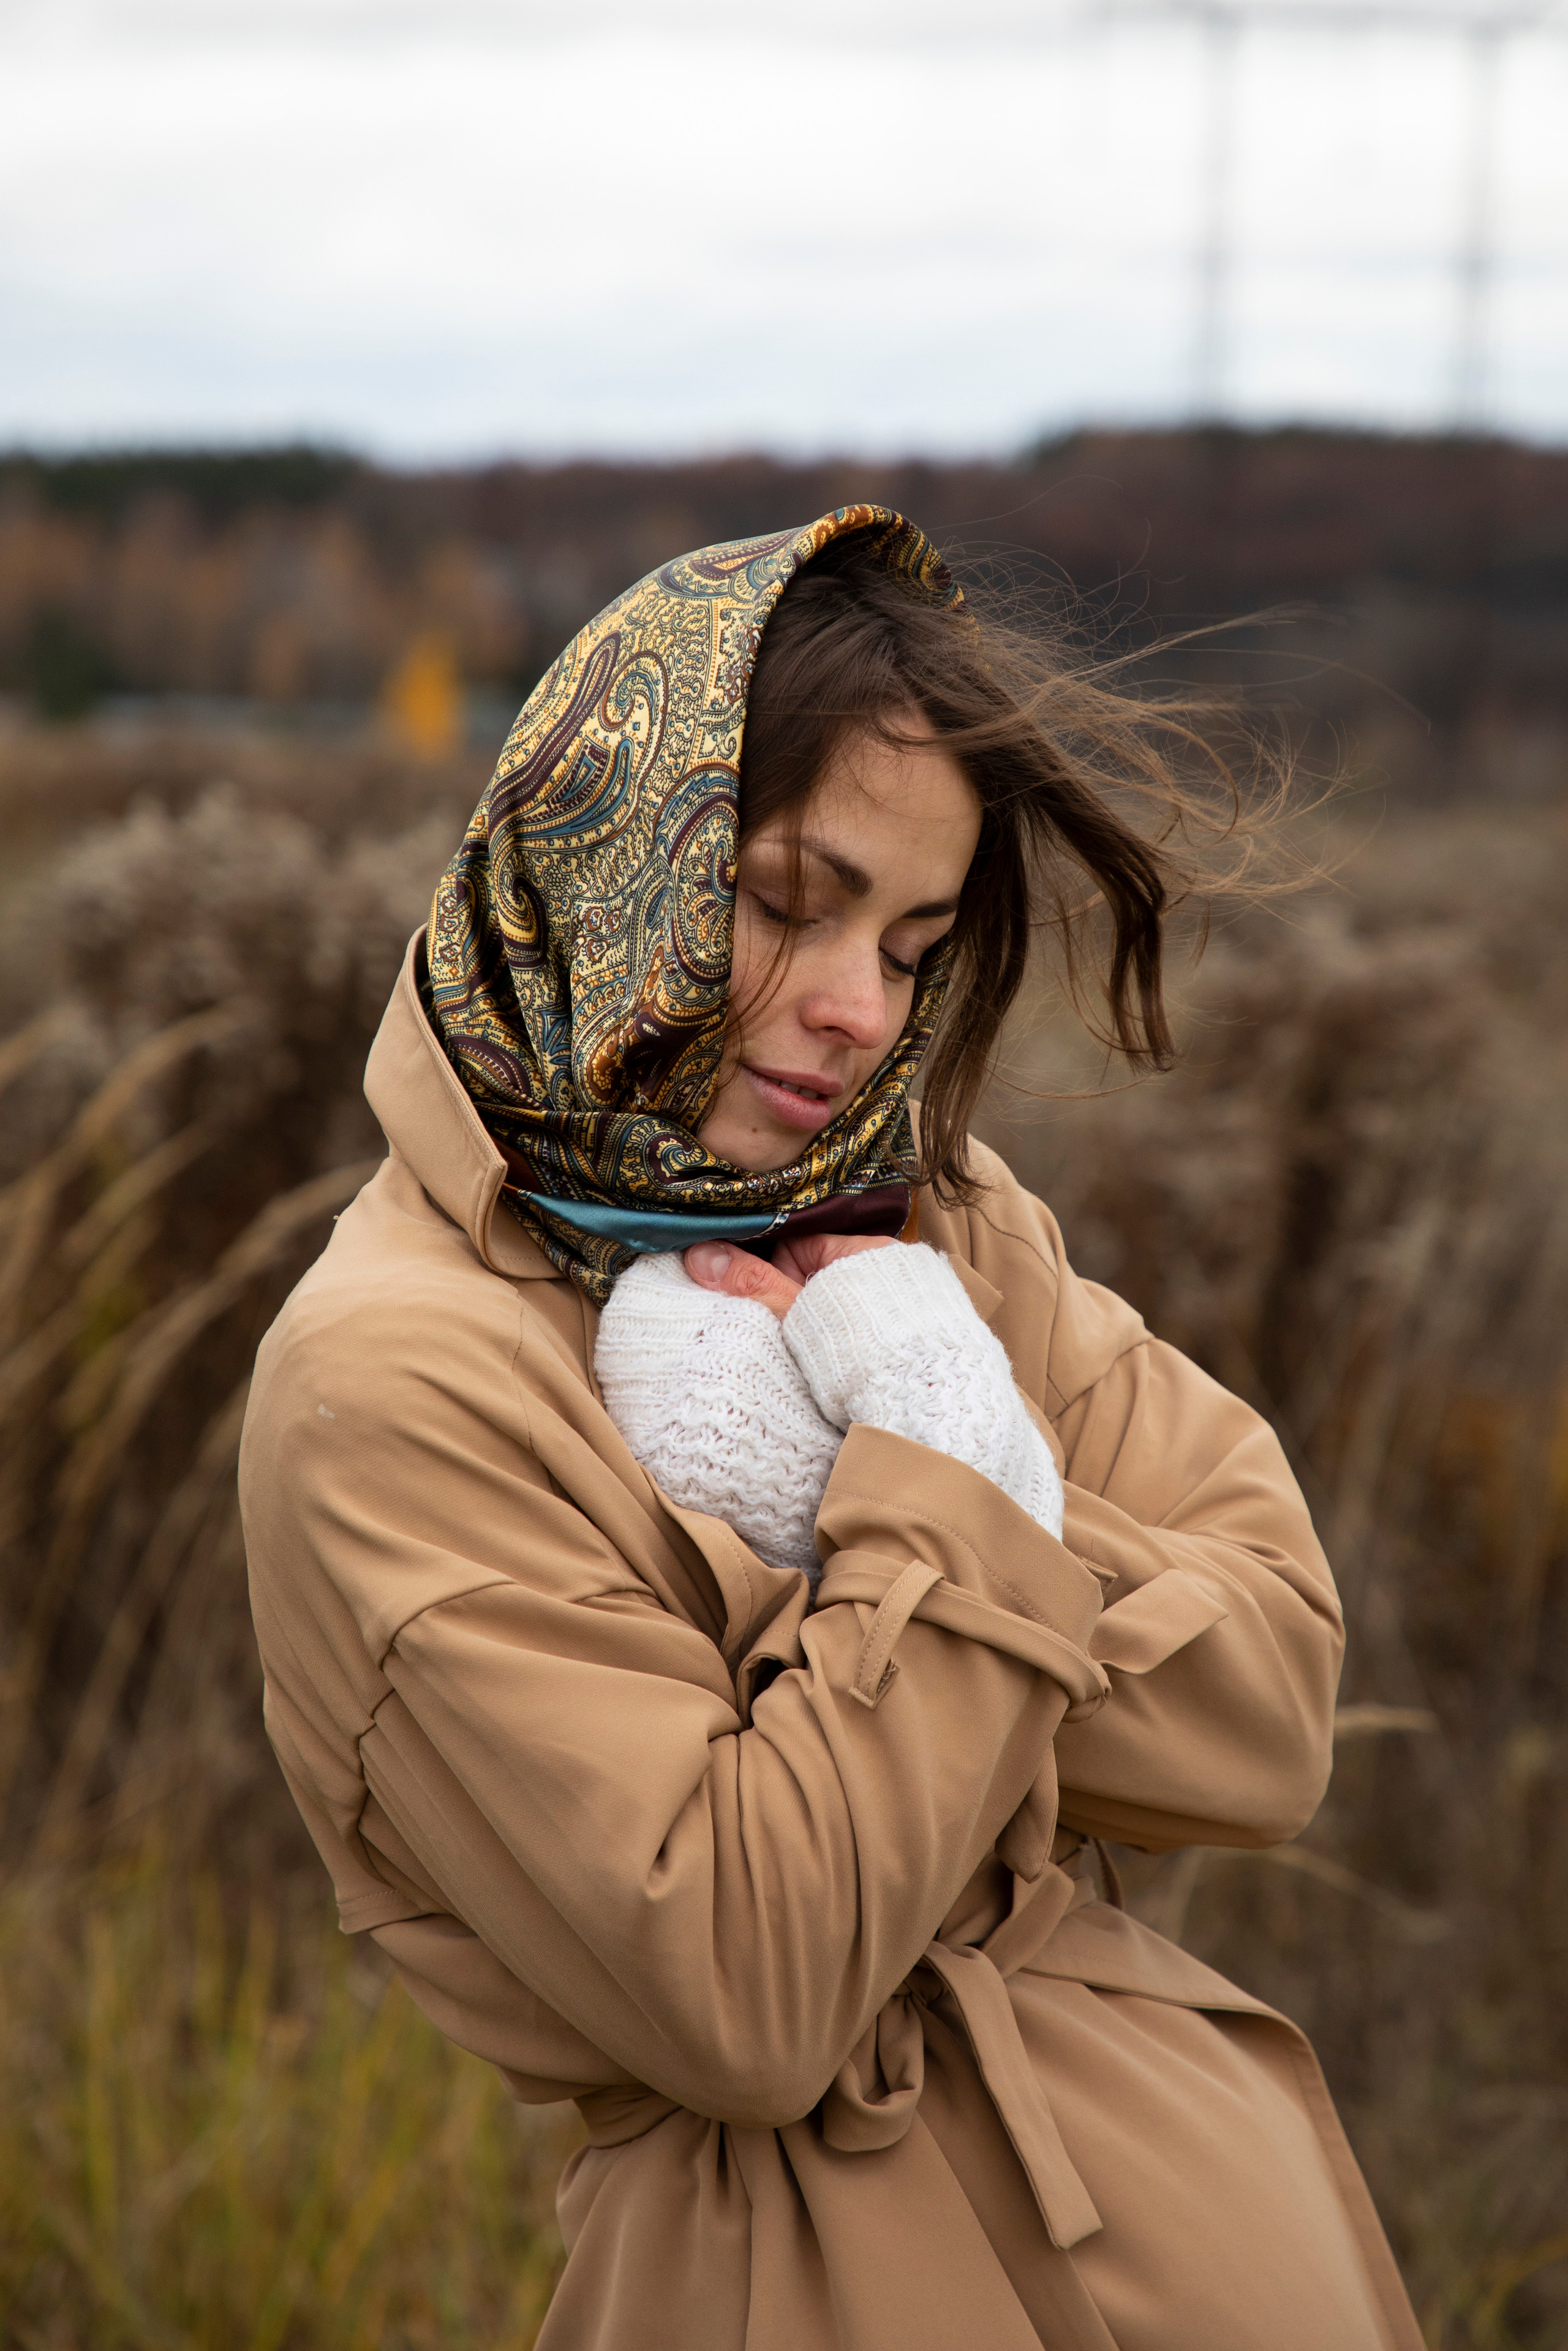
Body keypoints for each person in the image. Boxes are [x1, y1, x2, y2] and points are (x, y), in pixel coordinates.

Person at [239, 507, 1423, 2350]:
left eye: (916, 938)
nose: (859, 1015)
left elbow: (1273, 1713)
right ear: (607, 850)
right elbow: (745, 1984)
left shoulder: (918, 1224)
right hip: (797, 2283)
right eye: (788, 902)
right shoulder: (395, 1380)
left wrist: (873, 1473)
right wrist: (936, 1475)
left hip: (1207, 2210)